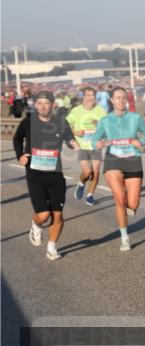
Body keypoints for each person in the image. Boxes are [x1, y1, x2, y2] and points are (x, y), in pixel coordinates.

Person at [13, 91, 78, 260]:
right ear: (35, 105)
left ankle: (52, 247)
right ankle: (36, 224)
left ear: (53, 105)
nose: (43, 106)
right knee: (43, 215)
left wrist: (73, 143)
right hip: (35, 175)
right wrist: (20, 155)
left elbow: (69, 138)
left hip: (55, 175)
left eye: (46, 103)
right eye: (40, 103)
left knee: (58, 214)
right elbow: (17, 139)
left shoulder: (60, 122)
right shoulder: (28, 122)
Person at [92, 87, 145, 252]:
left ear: (126, 100)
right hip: (113, 160)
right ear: (111, 100)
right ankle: (124, 237)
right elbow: (95, 140)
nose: (120, 101)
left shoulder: (135, 118)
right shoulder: (105, 120)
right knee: (119, 199)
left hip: (133, 160)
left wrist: (140, 142)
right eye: (117, 98)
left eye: (123, 98)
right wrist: (97, 144)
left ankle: (130, 207)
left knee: (132, 203)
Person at [66, 86, 107, 206]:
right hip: (82, 146)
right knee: (87, 171)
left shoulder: (100, 110)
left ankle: (90, 195)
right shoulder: (76, 111)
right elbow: (67, 125)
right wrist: (75, 132)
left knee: (95, 172)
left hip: (95, 146)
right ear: (83, 97)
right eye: (88, 96)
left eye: (93, 96)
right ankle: (81, 183)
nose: (90, 98)